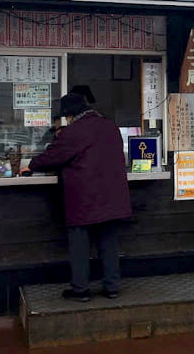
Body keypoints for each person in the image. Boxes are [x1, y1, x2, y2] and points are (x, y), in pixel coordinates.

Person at [21, 92, 131, 302]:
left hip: (84, 197)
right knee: (108, 242)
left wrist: (31, 165)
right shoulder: (110, 126)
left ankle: (81, 290)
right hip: (112, 194)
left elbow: (54, 156)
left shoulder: (75, 131)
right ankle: (112, 287)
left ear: (69, 114)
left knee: (80, 244)